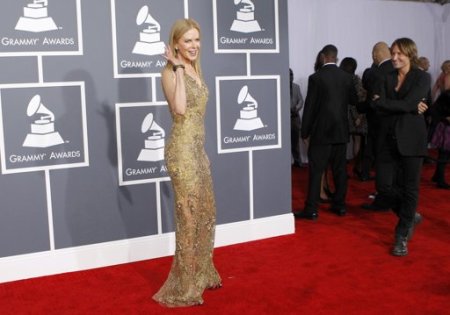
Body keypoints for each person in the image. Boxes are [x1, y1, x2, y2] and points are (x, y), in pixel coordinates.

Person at [153, 18, 222, 307]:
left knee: (206, 213)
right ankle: (184, 285)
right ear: (176, 44)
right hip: (181, 152)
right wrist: (178, 68)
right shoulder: (170, 71)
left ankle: (201, 272)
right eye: (188, 41)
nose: (194, 46)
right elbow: (180, 109)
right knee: (189, 217)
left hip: (197, 151)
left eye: (197, 40)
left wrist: (202, 151)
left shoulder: (197, 68)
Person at [371, 38, 430, 256]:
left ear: (410, 55)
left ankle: (402, 235)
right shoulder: (385, 76)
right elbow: (375, 106)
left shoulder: (422, 77)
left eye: (399, 54)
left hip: (412, 139)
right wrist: (409, 107)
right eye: (393, 53)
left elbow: (399, 103)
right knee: (383, 187)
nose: (394, 58)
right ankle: (409, 213)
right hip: (388, 139)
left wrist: (385, 103)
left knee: (410, 188)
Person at [294, 44, 357, 220]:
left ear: (323, 56)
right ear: (335, 58)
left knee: (316, 171)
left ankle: (311, 210)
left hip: (321, 133)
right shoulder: (346, 77)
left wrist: (304, 131)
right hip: (341, 132)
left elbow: (310, 107)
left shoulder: (316, 77)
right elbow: (353, 100)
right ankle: (340, 206)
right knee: (340, 170)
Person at [339, 57, 367, 180]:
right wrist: (359, 116)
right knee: (357, 141)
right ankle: (357, 168)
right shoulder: (356, 80)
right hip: (355, 116)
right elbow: (362, 99)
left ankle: (343, 171)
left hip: (341, 115)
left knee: (342, 145)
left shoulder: (338, 79)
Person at [430, 90, 450, 189]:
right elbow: (434, 110)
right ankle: (440, 180)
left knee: (445, 155)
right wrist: (445, 118)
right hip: (446, 129)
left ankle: (437, 176)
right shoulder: (446, 94)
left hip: (445, 127)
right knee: (444, 154)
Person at [290, 68, 304, 167]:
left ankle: (297, 161)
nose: (291, 77)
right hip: (284, 119)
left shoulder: (296, 87)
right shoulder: (279, 86)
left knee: (295, 141)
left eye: (292, 74)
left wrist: (297, 108)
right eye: (289, 75)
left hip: (295, 118)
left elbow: (301, 100)